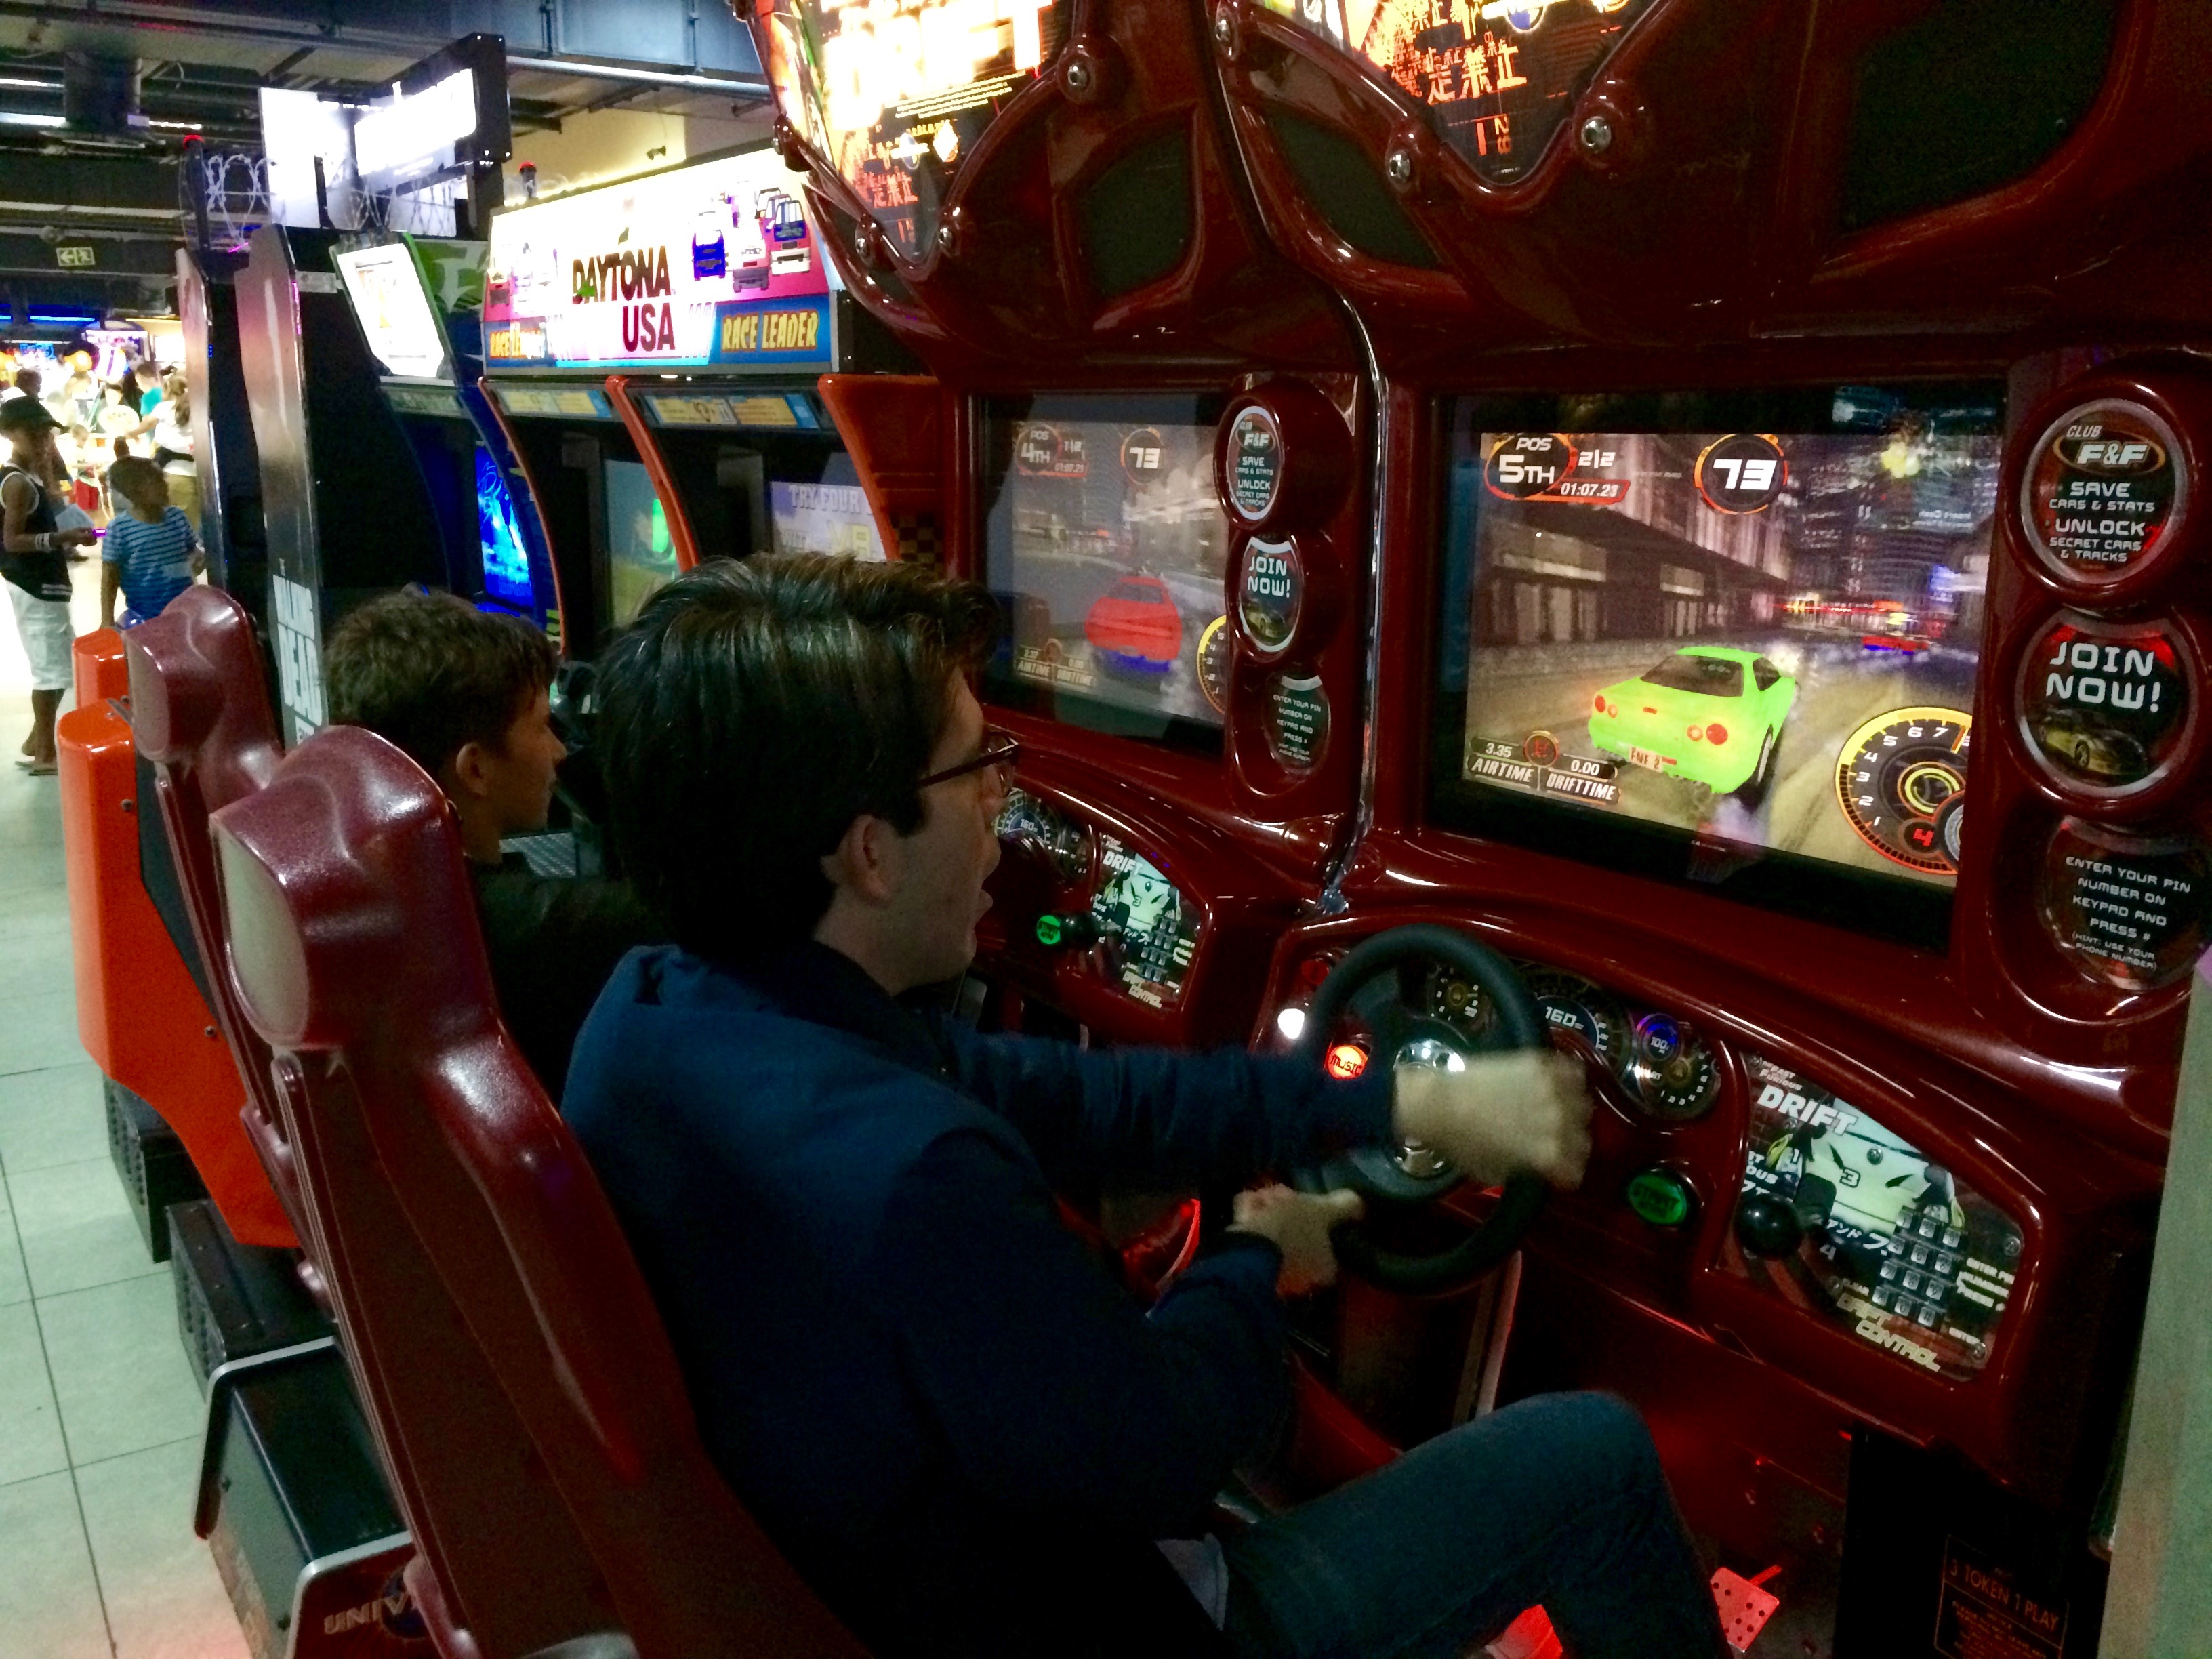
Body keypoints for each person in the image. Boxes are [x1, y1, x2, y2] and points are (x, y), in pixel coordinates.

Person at [567, 554, 1727, 1659]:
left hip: (891, 1561)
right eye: (979, 769)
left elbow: (1085, 1095)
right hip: (1103, 1620)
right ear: (869, 854)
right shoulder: (913, 1180)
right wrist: (1257, 1260)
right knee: (1597, 1456)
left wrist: (1397, 1100)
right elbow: (1162, 1456)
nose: (1004, 804)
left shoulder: (659, 1011)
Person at [323, 590, 658, 1097]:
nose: (559, 750)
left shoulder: (361, 887)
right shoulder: (546, 928)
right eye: (542, 727)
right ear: (475, 769)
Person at [1, 398, 90, 774]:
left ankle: (36, 740)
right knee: (49, 670)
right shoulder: (18, 483)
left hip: (39, 582)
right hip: (34, 583)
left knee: (54, 664)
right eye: (33, 433)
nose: (42, 440)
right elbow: (11, 541)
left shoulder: (28, 476)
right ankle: (44, 753)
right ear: (10, 433)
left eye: (46, 433)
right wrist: (60, 538)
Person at [100, 456, 203, 628]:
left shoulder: (177, 517)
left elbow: (192, 551)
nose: (165, 485)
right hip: (145, 616)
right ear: (135, 490)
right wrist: (106, 620)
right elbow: (110, 576)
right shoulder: (120, 529)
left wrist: (198, 559)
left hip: (185, 612)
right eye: (158, 481)